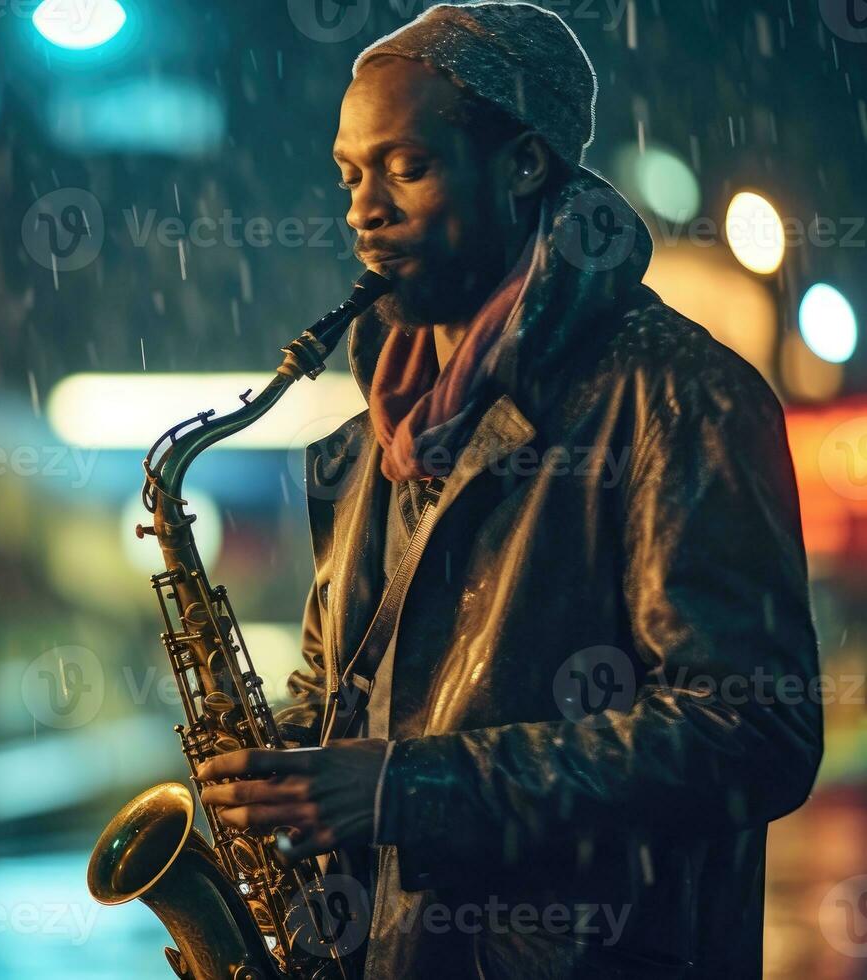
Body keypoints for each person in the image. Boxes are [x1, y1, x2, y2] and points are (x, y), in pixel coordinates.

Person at [195, 4, 823, 977]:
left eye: (407, 166)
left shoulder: (678, 394)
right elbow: (339, 700)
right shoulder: (359, 447)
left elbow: (752, 729)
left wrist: (410, 786)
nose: (365, 208)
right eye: (350, 174)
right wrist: (273, 777)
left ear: (525, 165)